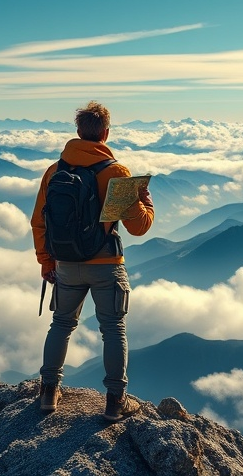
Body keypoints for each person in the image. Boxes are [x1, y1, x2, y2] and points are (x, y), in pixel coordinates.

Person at [31, 100, 154, 421]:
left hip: (66, 264)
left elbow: (39, 222)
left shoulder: (54, 171)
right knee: (113, 329)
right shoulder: (116, 172)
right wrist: (146, 204)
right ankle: (116, 401)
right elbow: (137, 227)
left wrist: (47, 264)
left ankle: (48, 391)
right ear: (106, 133)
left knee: (61, 324)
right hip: (106, 265)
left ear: (78, 133)